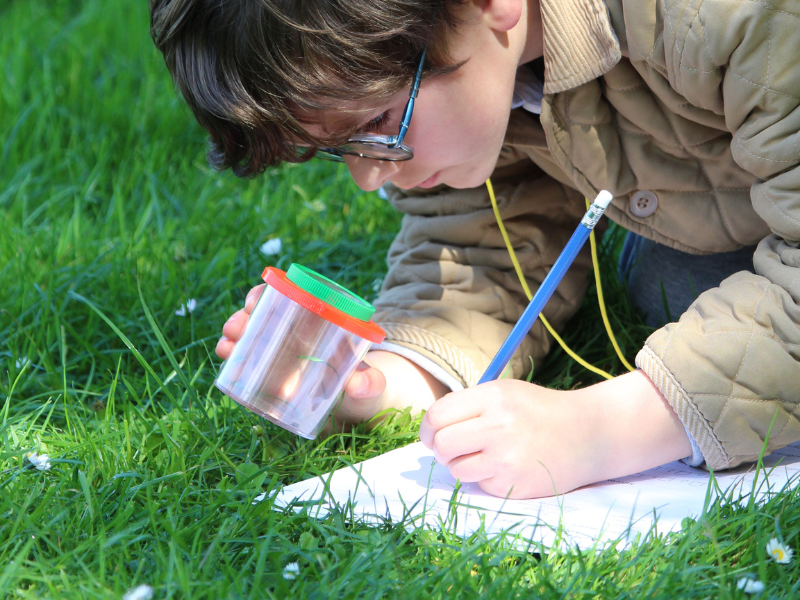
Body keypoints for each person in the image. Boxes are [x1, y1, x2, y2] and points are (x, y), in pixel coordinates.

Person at [149, 0, 800, 499]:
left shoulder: (728, 18)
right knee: (670, 279)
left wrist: (604, 430)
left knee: (673, 284)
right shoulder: (482, 59)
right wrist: (383, 386)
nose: (372, 176)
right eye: (339, 149)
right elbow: (481, 240)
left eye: (377, 125)